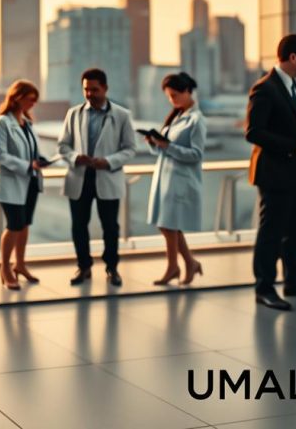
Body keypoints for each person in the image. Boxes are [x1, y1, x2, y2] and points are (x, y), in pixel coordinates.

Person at [245, 34, 296, 311]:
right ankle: (264, 288)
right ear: (293, 58)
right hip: (276, 174)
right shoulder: (265, 88)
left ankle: (294, 280)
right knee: (272, 232)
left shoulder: (291, 86)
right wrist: (294, 146)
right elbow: (254, 132)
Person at [58, 68, 137, 286]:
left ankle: (112, 268)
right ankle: (83, 267)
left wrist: (109, 161)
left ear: (105, 88)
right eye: (86, 90)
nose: (90, 94)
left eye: (94, 89)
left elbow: (130, 149)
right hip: (80, 178)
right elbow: (62, 146)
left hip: (107, 177)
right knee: (78, 226)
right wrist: (75, 157)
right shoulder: (74, 113)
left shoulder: (122, 115)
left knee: (110, 227)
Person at [144, 72, 206, 286]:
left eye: (175, 95)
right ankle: (188, 263)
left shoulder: (197, 120)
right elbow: (163, 151)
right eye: (169, 96)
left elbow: (196, 154)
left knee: (168, 224)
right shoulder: (176, 117)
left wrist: (167, 146)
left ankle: (176, 266)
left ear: (188, 91)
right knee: (166, 224)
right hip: (165, 176)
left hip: (181, 179)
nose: (172, 100)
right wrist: (154, 144)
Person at [0, 80, 44, 290]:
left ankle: (20, 264)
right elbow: (1, 155)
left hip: (30, 181)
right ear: (17, 97)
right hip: (12, 183)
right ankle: (5, 268)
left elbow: (32, 151)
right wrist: (26, 165)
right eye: (30, 99)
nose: (33, 103)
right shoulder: (3, 122)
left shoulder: (27, 123)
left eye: (35, 100)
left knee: (24, 225)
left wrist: (41, 160)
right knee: (13, 225)